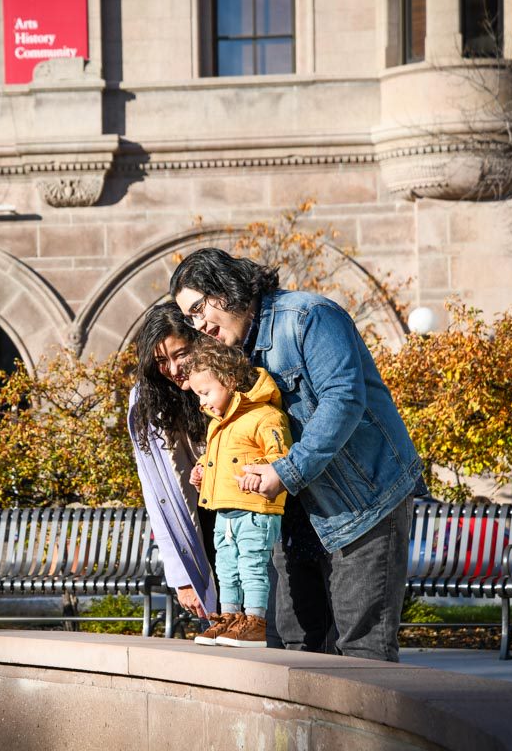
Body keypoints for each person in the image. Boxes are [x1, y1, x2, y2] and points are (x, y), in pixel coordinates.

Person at [169, 248, 427, 662]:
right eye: (189, 317)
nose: (198, 324)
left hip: (362, 504)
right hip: (289, 514)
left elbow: (343, 400)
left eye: (199, 308)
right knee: (291, 649)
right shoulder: (234, 351)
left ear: (226, 288)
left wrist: (285, 472)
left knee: (363, 649)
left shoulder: (308, 317)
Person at [184, 340, 290, 647]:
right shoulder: (219, 424)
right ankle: (228, 619)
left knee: (252, 566)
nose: (201, 402)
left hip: (255, 510)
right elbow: (218, 457)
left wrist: (257, 472)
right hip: (225, 511)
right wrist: (203, 469)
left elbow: (281, 456)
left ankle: (254, 622)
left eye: (205, 393)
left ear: (229, 381)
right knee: (226, 567)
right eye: (198, 396)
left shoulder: (265, 416)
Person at [127, 304, 218, 622]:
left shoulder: (228, 381)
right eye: (161, 360)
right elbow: (158, 495)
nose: (174, 367)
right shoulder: (148, 401)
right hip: (200, 523)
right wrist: (181, 577)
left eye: (181, 354)